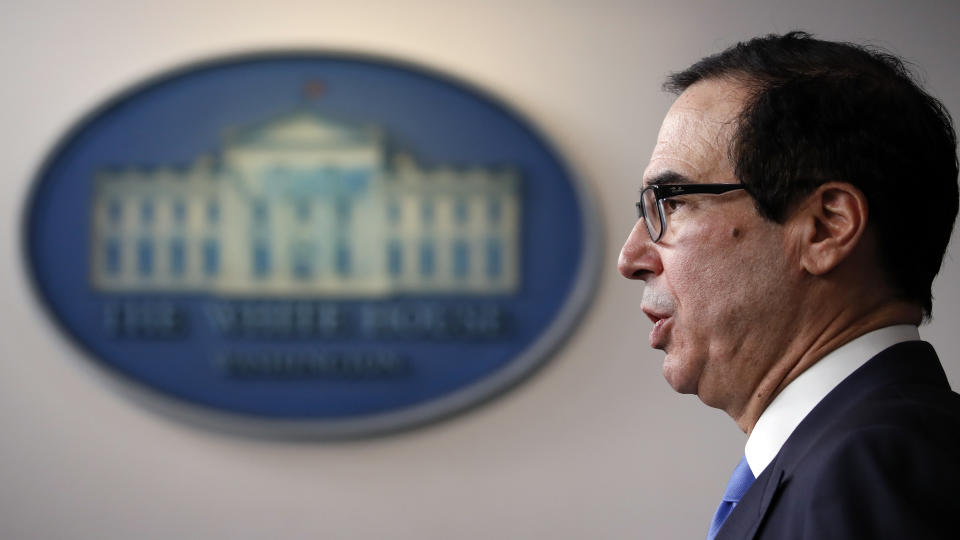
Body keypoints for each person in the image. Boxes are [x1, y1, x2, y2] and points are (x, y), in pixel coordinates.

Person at [617, 31, 960, 539]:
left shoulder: (869, 472)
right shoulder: (857, 456)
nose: (632, 258)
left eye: (672, 202)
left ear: (825, 227)